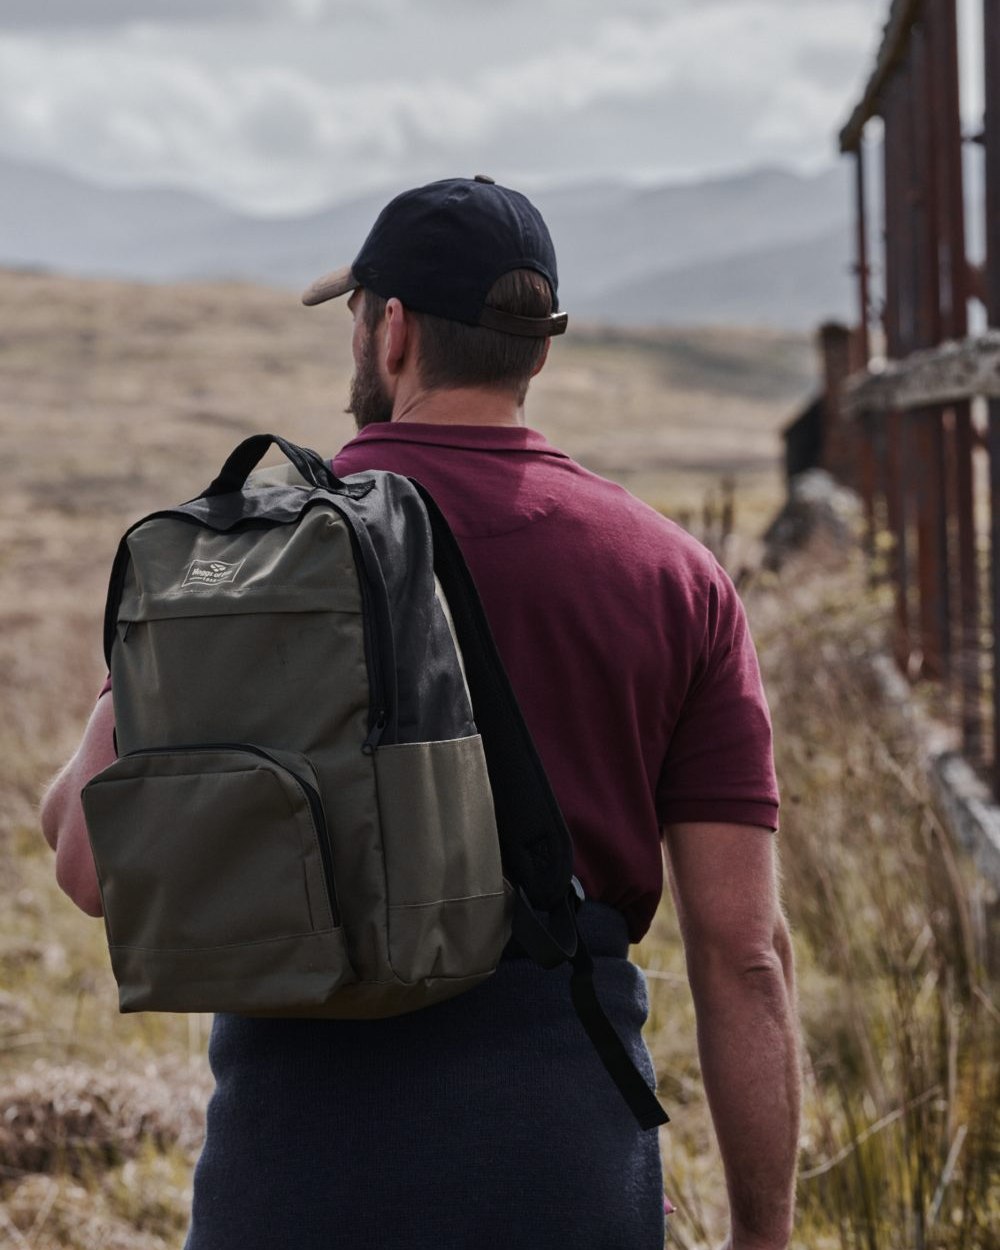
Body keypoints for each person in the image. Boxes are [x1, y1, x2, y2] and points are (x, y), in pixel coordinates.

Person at [40, 175, 799, 1249]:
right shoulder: (674, 575)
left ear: (388, 332)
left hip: (290, 1174)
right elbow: (744, 950)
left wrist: (139, 657)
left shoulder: (238, 561)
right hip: (558, 1167)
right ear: (537, 351)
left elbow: (85, 865)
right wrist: (762, 1235)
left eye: (355, 314)